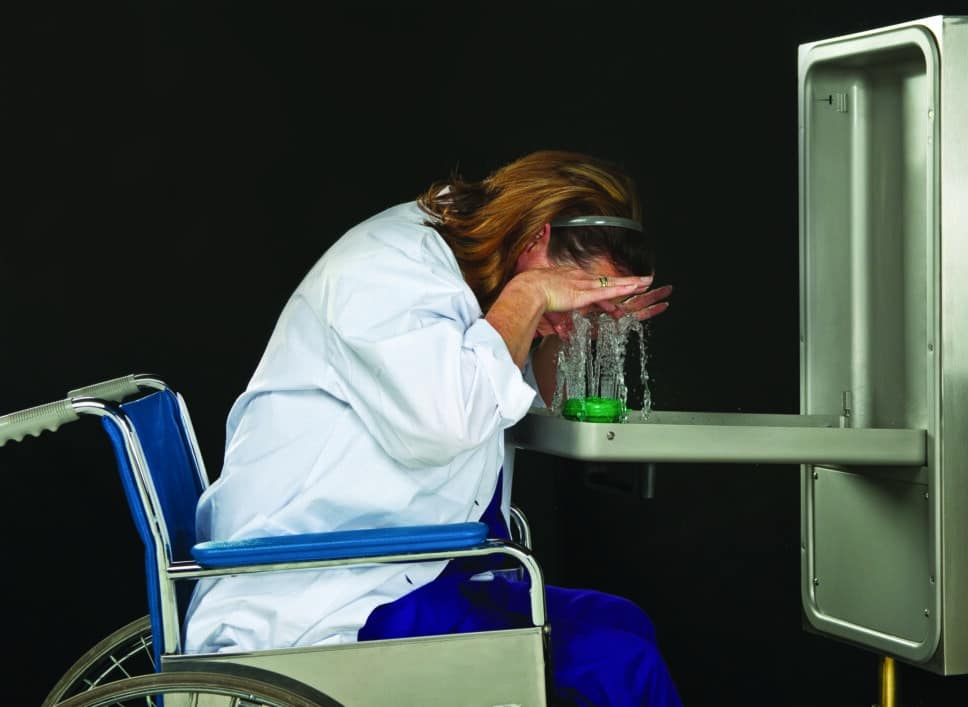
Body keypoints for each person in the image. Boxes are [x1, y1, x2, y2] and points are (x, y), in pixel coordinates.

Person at [184, 150, 681, 705]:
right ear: (538, 242)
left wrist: (577, 328)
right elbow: (451, 420)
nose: (572, 308)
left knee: (619, 622)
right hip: (329, 590)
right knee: (618, 666)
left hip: (413, 567)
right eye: (581, 290)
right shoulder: (388, 270)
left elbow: (528, 397)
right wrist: (531, 295)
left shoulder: (469, 272)